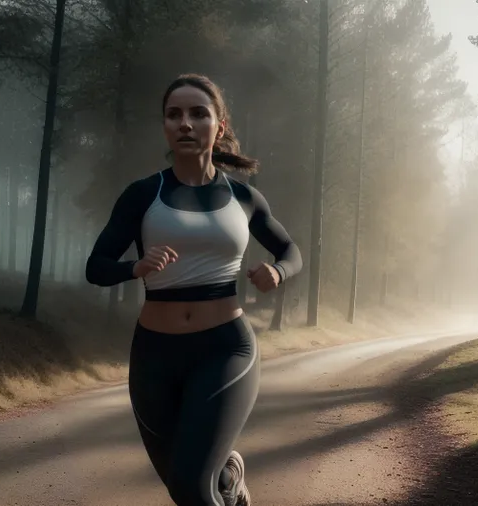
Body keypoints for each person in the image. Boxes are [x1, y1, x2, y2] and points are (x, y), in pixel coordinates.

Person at [85, 73, 303, 506]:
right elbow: (96, 267)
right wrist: (136, 267)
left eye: (198, 113)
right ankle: (229, 480)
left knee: (190, 485)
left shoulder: (244, 198)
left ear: (218, 126)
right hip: (154, 357)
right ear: (165, 126)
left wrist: (278, 272)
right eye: (174, 114)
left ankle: (222, 478)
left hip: (225, 350)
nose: (185, 122)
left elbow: (290, 249)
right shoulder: (144, 195)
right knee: (184, 486)